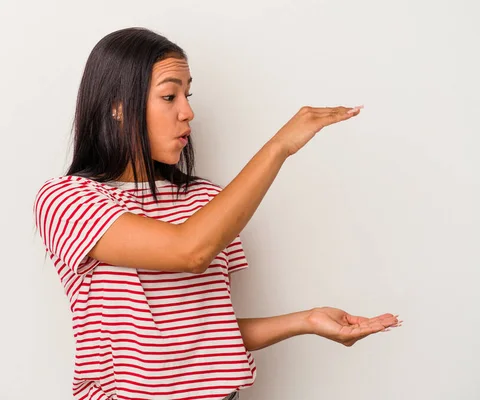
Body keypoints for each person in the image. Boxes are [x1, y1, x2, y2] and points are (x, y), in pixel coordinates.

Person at [34, 27, 401, 400]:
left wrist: (305, 321)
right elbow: (190, 252)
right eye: (168, 95)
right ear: (117, 105)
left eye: (187, 95)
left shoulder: (206, 200)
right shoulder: (67, 201)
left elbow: (208, 334)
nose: (187, 112)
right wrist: (278, 148)